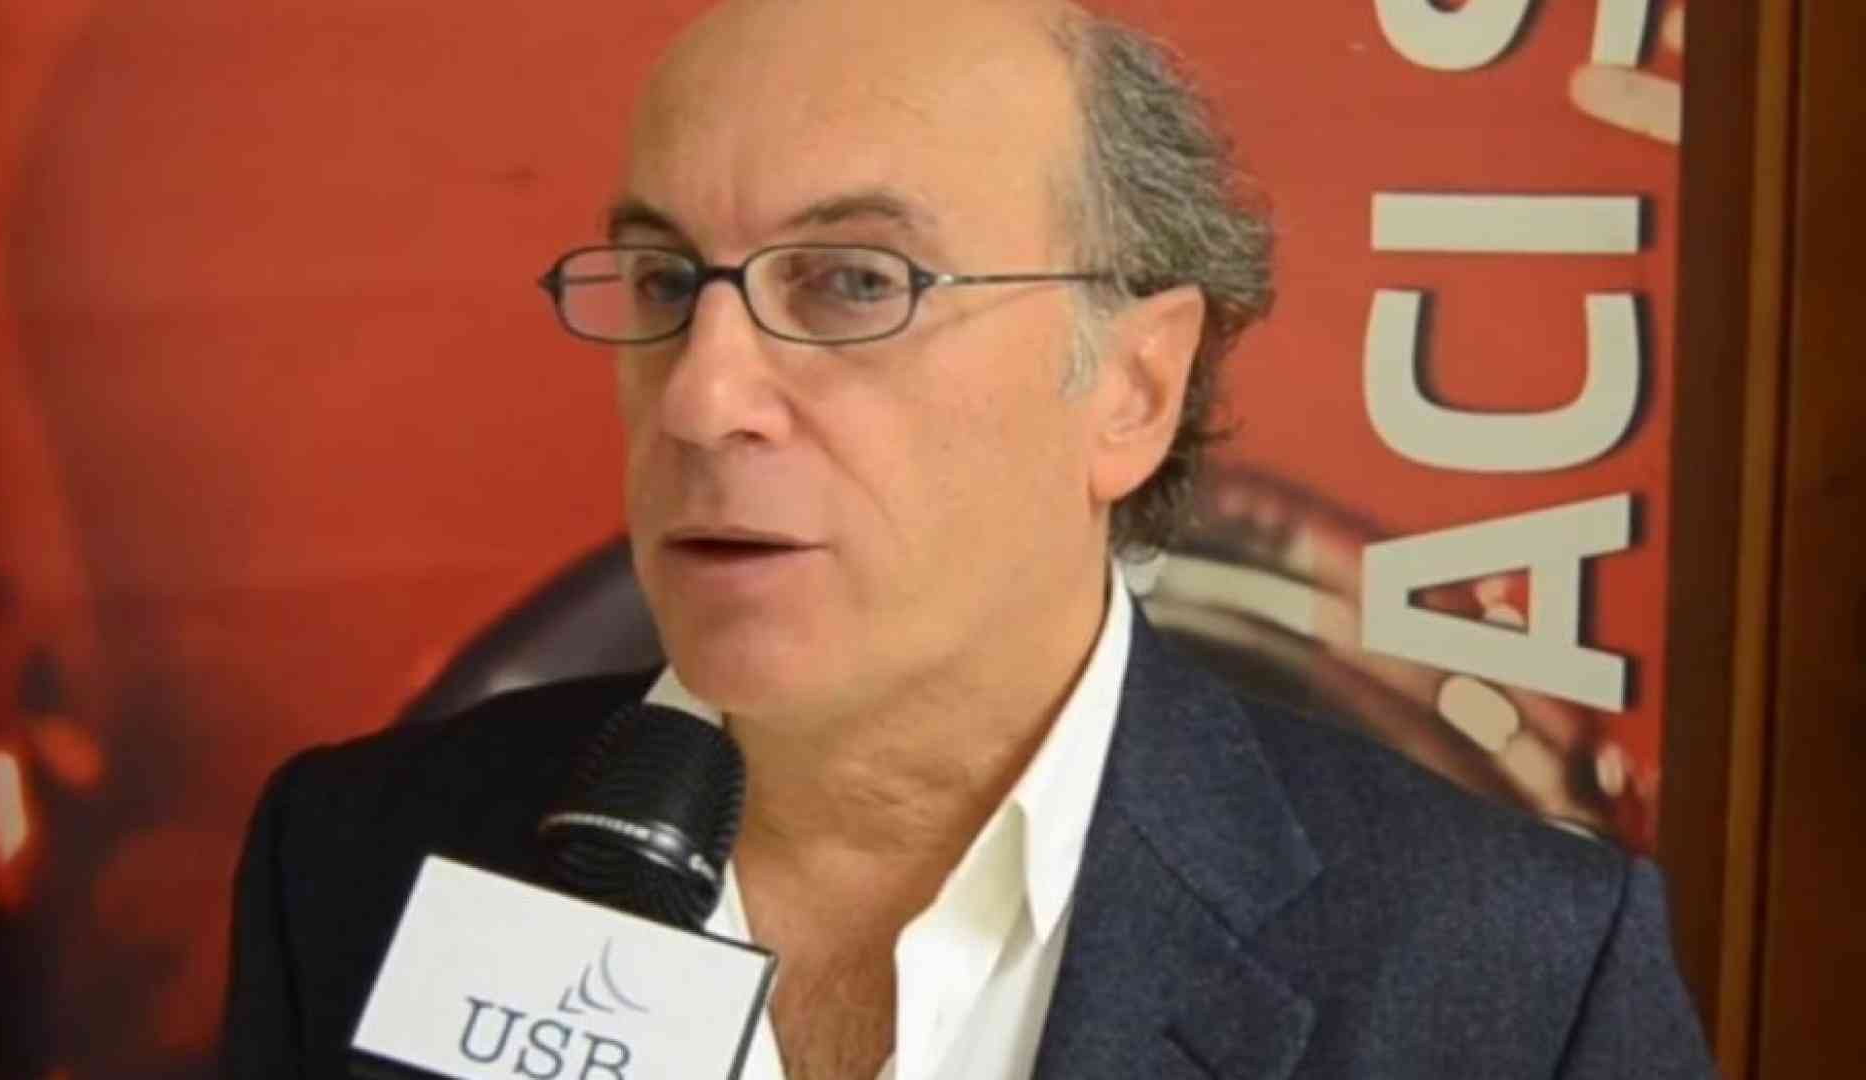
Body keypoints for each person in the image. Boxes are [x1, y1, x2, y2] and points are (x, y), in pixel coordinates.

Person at [220, 0, 1716, 1076]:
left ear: (1132, 388)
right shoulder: (355, 860)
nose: (701, 397)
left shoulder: (1510, 979)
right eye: (667, 281)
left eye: (855, 282)